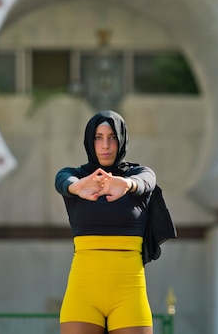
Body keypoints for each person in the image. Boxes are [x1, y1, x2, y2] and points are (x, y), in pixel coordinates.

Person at [55, 110, 157, 334]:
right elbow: (62, 180)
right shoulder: (77, 178)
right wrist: (78, 187)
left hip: (129, 289)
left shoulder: (137, 175)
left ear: (121, 140)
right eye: (98, 137)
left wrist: (127, 185)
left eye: (112, 137)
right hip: (83, 289)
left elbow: (147, 181)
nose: (106, 145)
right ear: (90, 141)